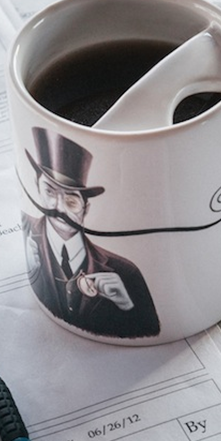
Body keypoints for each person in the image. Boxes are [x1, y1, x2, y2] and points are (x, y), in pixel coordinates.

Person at [21, 127, 160, 338]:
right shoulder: (27, 228)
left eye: (71, 200)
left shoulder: (124, 272)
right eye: (50, 191)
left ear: (86, 208)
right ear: (36, 188)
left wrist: (127, 306)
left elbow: (150, 331)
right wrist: (32, 271)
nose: (59, 207)